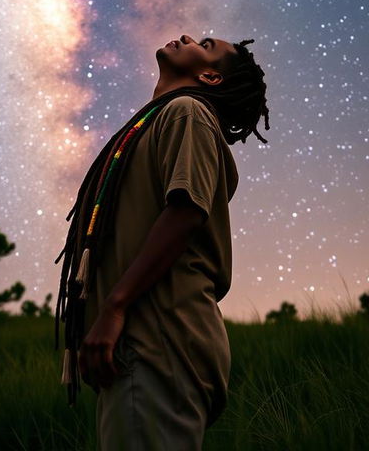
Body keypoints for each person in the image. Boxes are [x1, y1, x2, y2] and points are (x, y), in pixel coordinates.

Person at [55, 33, 269, 450]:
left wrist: (115, 307)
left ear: (208, 76)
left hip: (156, 340)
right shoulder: (158, 122)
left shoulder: (187, 112)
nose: (188, 36)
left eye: (205, 45)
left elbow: (186, 211)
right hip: (143, 346)